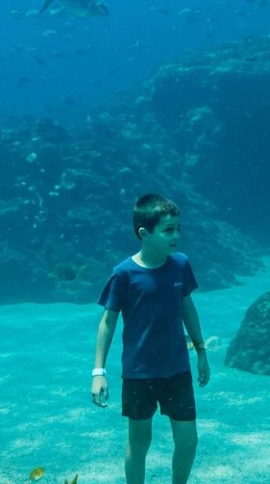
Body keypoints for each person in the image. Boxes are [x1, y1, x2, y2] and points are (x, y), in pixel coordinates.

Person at [93, 194, 210, 484]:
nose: (176, 236)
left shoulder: (181, 265)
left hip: (177, 368)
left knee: (188, 441)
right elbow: (107, 322)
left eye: (178, 228)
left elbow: (187, 308)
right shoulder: (124, 273)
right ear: (144, 234)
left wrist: (201, 351)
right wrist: (99, 372)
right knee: (139, 442)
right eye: (168, 230)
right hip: (139, 372)